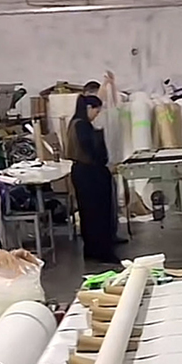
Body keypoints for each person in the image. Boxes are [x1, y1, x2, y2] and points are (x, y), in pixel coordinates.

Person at [66, 95, 119, 263]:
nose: (97, 114)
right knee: (98, 213)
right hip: (90, 174)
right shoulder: (82, 125)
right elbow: (92, 151)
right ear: (88, 108)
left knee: (88, 214)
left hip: (82, 172)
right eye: (96, 110)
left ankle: (91, 249)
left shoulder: (74, 123)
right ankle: (102, 251)